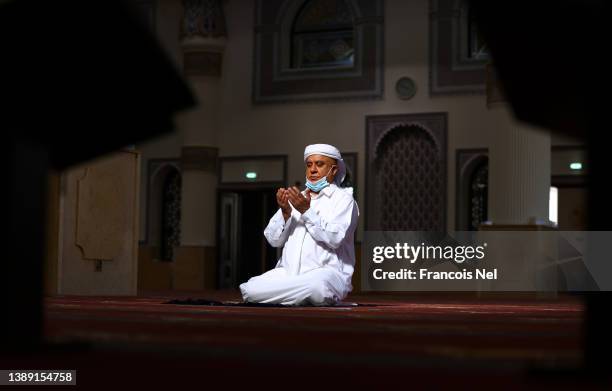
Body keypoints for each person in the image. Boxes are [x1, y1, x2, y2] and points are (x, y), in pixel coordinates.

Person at [239, 144, 359, 306]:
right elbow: (273, 240)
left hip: (326, 274)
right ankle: (299, 297)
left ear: (334, 170)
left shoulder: (343, 200)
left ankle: (285, 296)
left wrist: (306, 211)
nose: (313, 170)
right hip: (288, 273)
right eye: (309, 165)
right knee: (249, 289)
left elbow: (335, 238)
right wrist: (285, 213)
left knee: (318, 288)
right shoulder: (296, 198)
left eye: (319, 164)